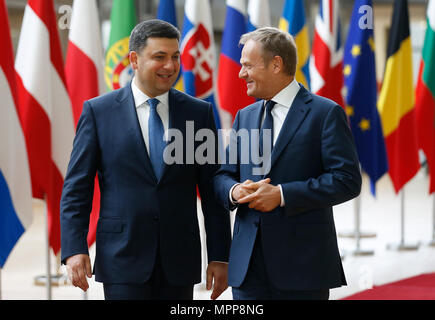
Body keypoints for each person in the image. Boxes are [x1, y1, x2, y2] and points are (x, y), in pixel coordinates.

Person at [60, 19, 231, 300]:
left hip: (179, 260)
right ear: (134, 60)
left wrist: (220, 255)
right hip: (122, 258)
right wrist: (74, 249)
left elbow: (213, 192)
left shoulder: (198, 114)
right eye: (159, 57)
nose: (170, 65)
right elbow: (76, 189)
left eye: (175, 57)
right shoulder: (98, 112)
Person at [213, 27, 362, 300]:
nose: (240, 73)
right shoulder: (244, 117)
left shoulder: (325, 113)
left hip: (303, 268)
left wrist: (282, 195)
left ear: (276, 64)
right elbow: (223, 175)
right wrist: (234, 191)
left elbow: (347, 180)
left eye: (247, 65)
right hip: (248, 271)